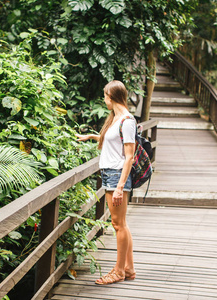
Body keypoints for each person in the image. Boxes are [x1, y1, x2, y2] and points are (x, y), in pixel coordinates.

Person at [76, 80, 136, 285]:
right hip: (110, 174)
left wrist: (120, 186)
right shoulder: (116, 118)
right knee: (121, 224)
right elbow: (111, 140)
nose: (104, 100)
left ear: (112, 96)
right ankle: (128, 268)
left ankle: (119, 271)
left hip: (117, 176)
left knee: (118, 224)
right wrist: (92, 136)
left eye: (105, 96)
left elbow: (129, 156)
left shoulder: (127, 121)